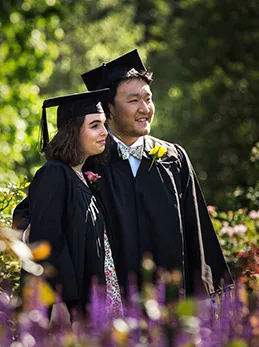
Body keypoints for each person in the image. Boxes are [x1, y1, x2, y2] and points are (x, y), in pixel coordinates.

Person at [15, 50, 232, 300]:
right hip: (109, 306)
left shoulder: (173, 158)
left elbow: (198, 231)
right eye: (133, 101)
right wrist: (32, 233)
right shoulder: (86, 160)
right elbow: (34, 217)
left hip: (170, 302)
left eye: (148, 99)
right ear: (109, 109)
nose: (145, 109)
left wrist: (206, 298)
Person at [26, 89, 124, 321]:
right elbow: (49, 244)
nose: (105, 133)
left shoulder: (79, 176)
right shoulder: (54, 174)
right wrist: (59, 301)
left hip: (94, 300)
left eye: (103, 124)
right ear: (73, 131)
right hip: (69, 307)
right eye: (95, 125)